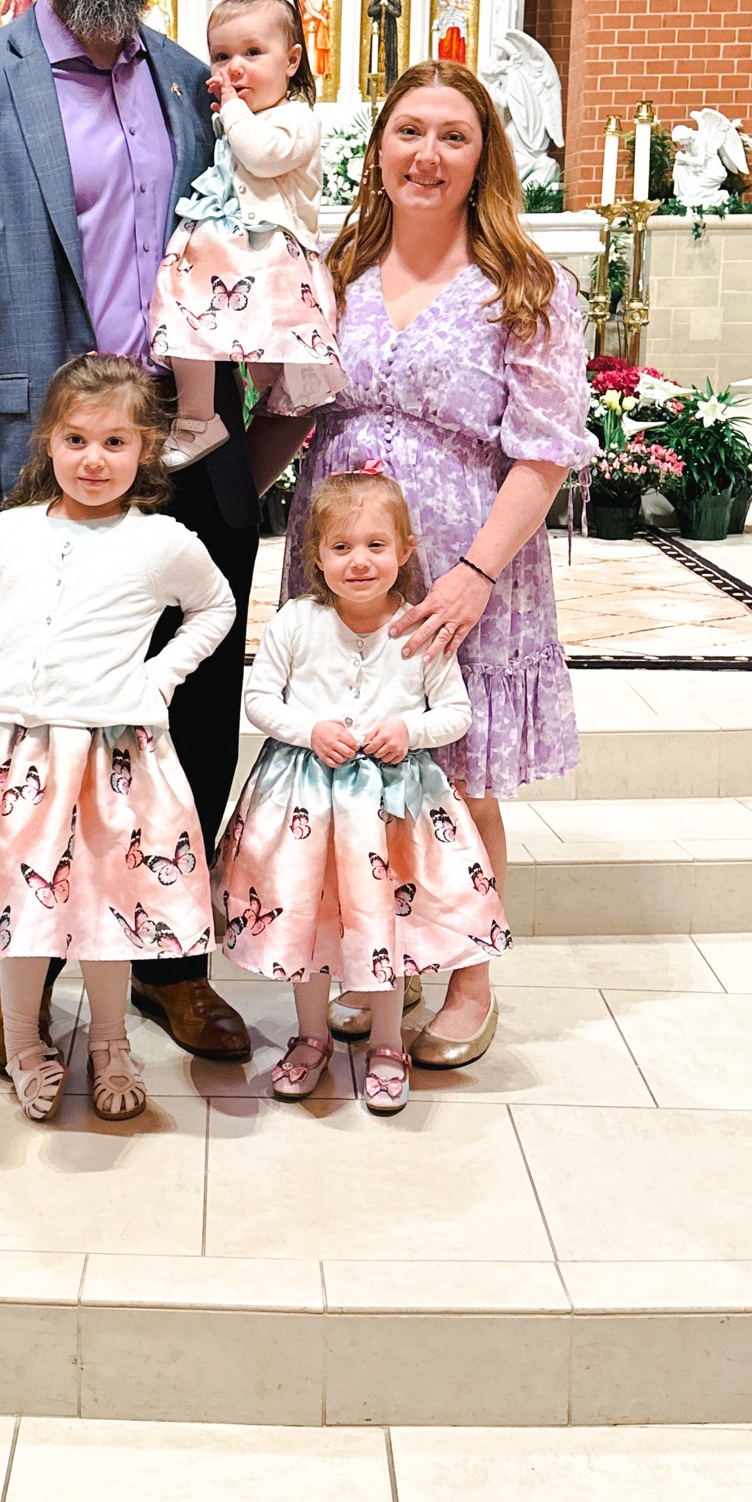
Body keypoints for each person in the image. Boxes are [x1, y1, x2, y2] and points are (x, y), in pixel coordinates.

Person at [0, 0, 258, 1072]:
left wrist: (264, 437)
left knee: (192, 717)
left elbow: (248, 259)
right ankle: (23, 972)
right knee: (27, 735)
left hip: (191, 461)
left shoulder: (192, 84)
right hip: (32, 469)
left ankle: (168, 962)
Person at [284, 59, 595, 1064]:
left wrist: (473, 573)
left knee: (457, 776)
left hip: (467, 561)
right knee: (358, 770)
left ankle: (468, 973)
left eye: (452, 135)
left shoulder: (524, 284)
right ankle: (382, 954)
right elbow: (291, 410)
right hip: (341, 561)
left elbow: (544, 449)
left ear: (482, 157)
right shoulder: (335, 267)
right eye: (409, 130)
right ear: (377, 148)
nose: (427, 153)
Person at [0, 355, 233, 1124]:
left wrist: (159, 679)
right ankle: (24, 1044)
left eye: (116, 442)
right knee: (19, 911)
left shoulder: (162, 541)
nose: (93, 459)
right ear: (47, 442)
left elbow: (215, 608)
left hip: (109, 761)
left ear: (146, 447)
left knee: (111, 907)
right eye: (76, 439)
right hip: (15, 758)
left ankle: (110, 1043)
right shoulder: (8, 533)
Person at [214, 469, 506, 1114]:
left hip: (393, 811)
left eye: (376, 545)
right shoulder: (296, 622)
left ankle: (385, 1041)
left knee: (387, 918)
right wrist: (309, 728)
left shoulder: (420, 629)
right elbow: (260, 699)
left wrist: (410, 728)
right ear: (315, 555)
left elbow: (455, 713)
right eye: (341, 547)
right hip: (305, 805)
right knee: (309, 919)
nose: (359, 561)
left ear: (405, 550)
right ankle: (311, 1036)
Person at [148, 0, 344, 469]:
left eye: (253, 53)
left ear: (293, 60)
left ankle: (263, 408)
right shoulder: (231, 117)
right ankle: (197, 418)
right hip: (228, 250)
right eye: (221, 55)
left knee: (271, 370)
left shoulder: (297, 119)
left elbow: (261, 154)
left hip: (269, 254)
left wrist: (231, 112)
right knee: (184, 317)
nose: (234, 68)